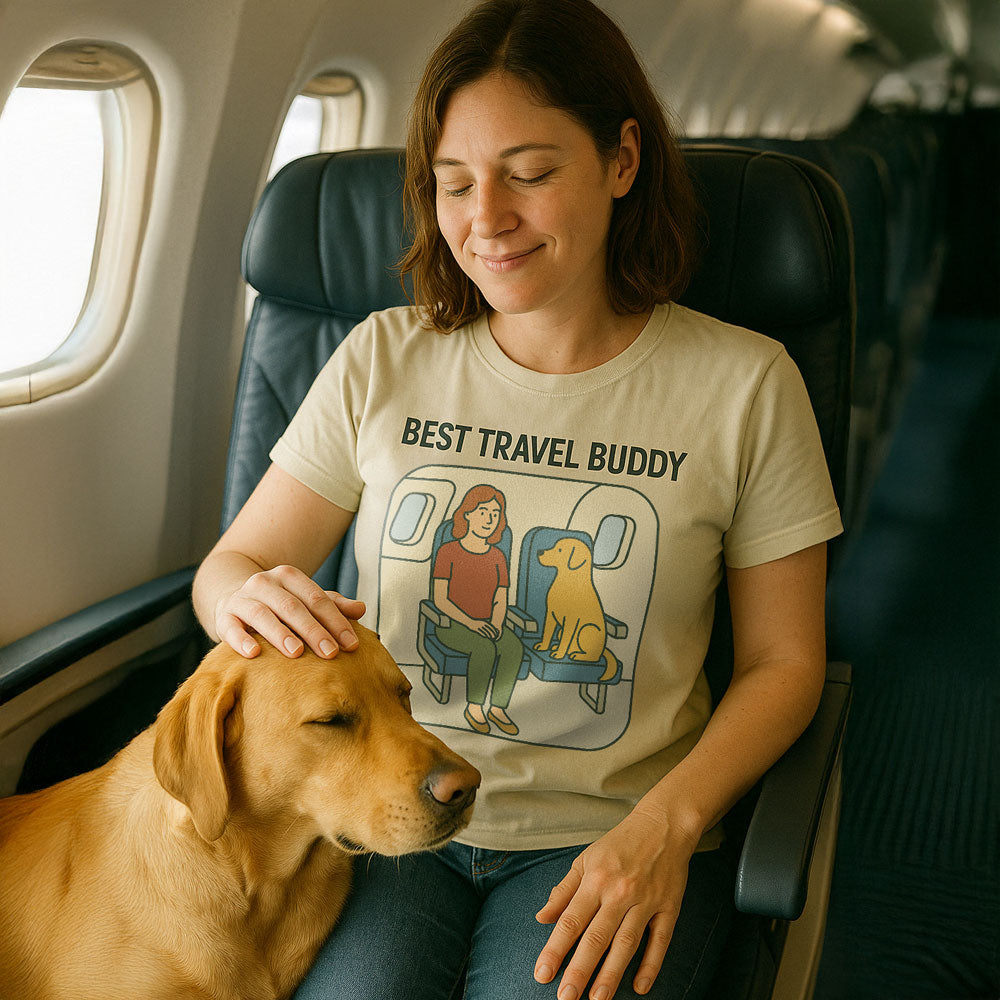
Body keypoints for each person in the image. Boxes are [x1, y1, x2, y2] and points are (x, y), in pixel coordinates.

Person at [191, 0, 843, 997]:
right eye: (454, 183)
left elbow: (785, 664)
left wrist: (666, 827)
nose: (484, 220)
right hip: (388, 818)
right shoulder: (379, 357)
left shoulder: (746, 385)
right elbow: (229, 567)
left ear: (622, 161)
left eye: (529, 175)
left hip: (605, 833)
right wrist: (241, 597)